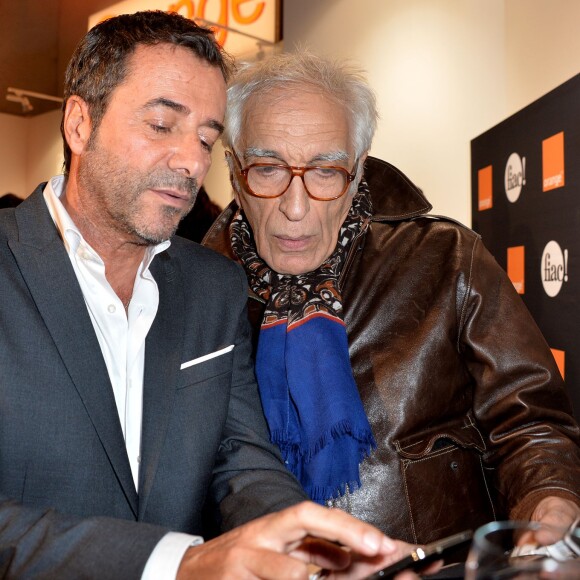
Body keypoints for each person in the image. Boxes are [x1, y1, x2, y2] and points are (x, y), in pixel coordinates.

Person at [0, 13, 416, 579]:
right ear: (79, 122)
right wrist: (178, 563)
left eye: (205, 137)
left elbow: (240, 461)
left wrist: (318, 553)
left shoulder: (213, 286)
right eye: (162, 125)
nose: (191, 162)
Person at [203, 50, 580, 548]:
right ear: (233, 170)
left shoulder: (445, 258)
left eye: (325, 171)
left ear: (358, 172)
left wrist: (548, 500)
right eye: (268, 168)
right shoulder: (195, 289)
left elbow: (529, 420)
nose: (295, 209)